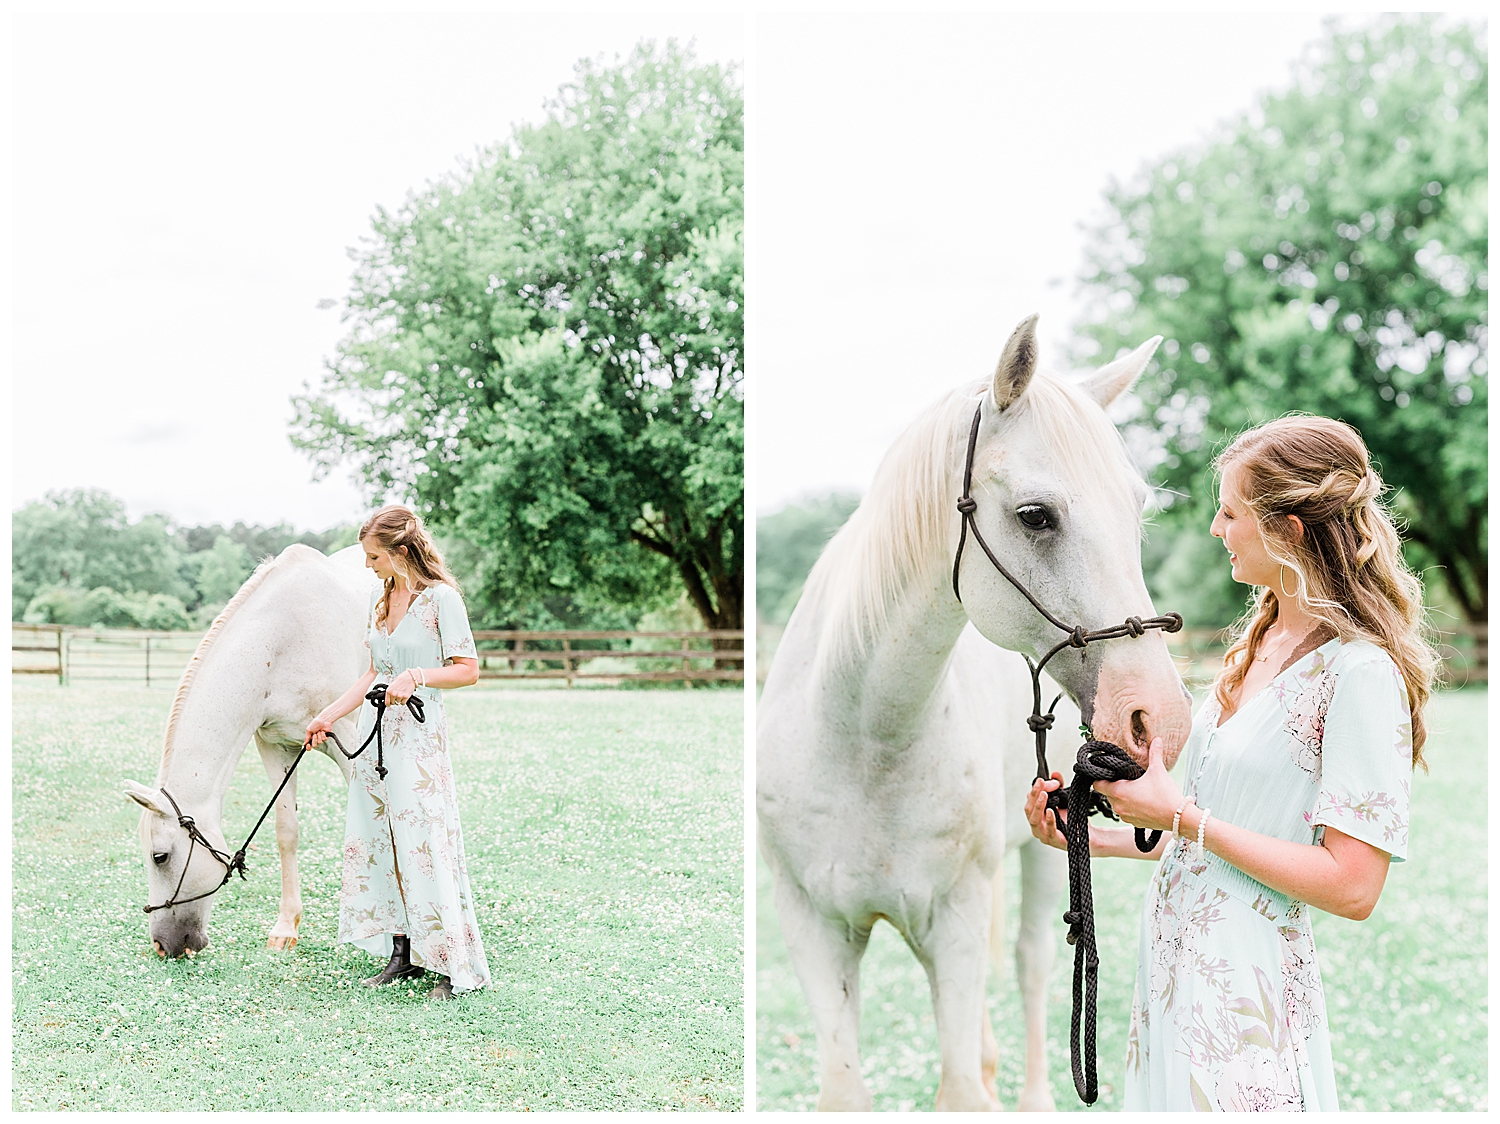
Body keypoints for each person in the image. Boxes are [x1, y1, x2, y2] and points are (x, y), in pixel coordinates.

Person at [1026, 415, 1435, 1111]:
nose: (1218, 528)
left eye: (1231, 511)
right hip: (1174, 972)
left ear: (1291, 528)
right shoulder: (1262, 640)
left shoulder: (1360, 674)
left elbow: (1353, 887)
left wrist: (1179, 815)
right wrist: (1087, 837)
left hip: (1249, 986)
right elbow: (1215, 842)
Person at [305, 505, 491, 1001]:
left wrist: (418, 676)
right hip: (375, 736)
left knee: (424, 843)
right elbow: (372, 672)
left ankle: (452, 965)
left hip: (418, 741)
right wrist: (328, 714)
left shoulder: (441, 600)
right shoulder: (378, 598)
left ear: (400, 551)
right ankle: (402, 953)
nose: (368, 565)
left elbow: (468, 668)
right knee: (382, 839)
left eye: (373, 556)